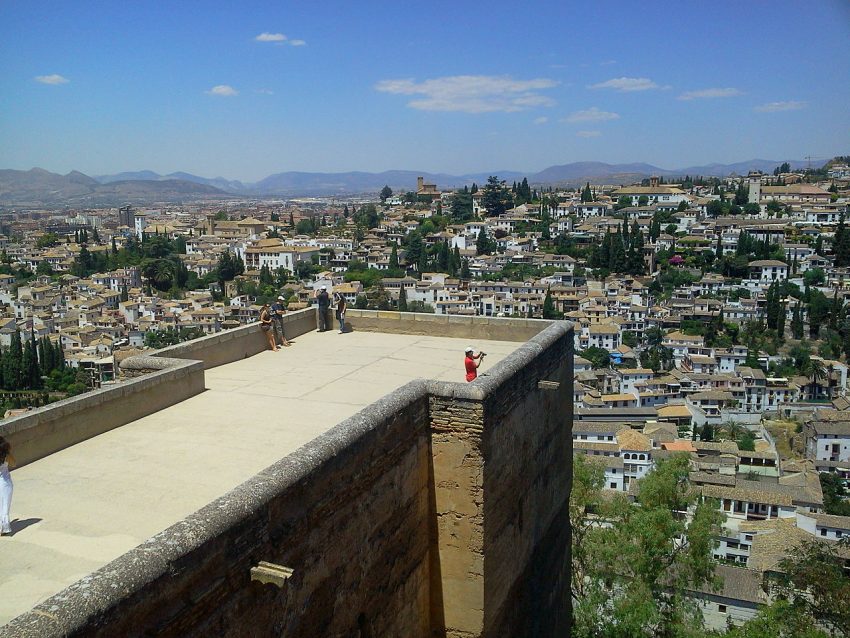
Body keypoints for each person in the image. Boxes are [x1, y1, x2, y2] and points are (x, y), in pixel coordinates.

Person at [0, 436, 14, 536]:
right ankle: (3, 529)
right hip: (5, 483)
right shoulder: (6, 456)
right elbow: (14, 463)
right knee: (4, 506)